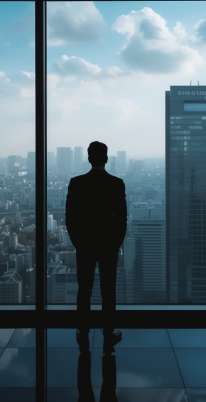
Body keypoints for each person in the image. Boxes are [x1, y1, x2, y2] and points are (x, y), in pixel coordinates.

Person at [66, 141, 127, 352]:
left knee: (85, 289)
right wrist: (115, 244)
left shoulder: (76, 183)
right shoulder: (117, 184)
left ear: (89, 158)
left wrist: (78, 243)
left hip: (85, 244)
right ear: (106, 159)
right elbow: (121, 219)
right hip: (109, 245)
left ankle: (83, 331)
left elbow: (69, 218)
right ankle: (108, 332)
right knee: (108, 290)